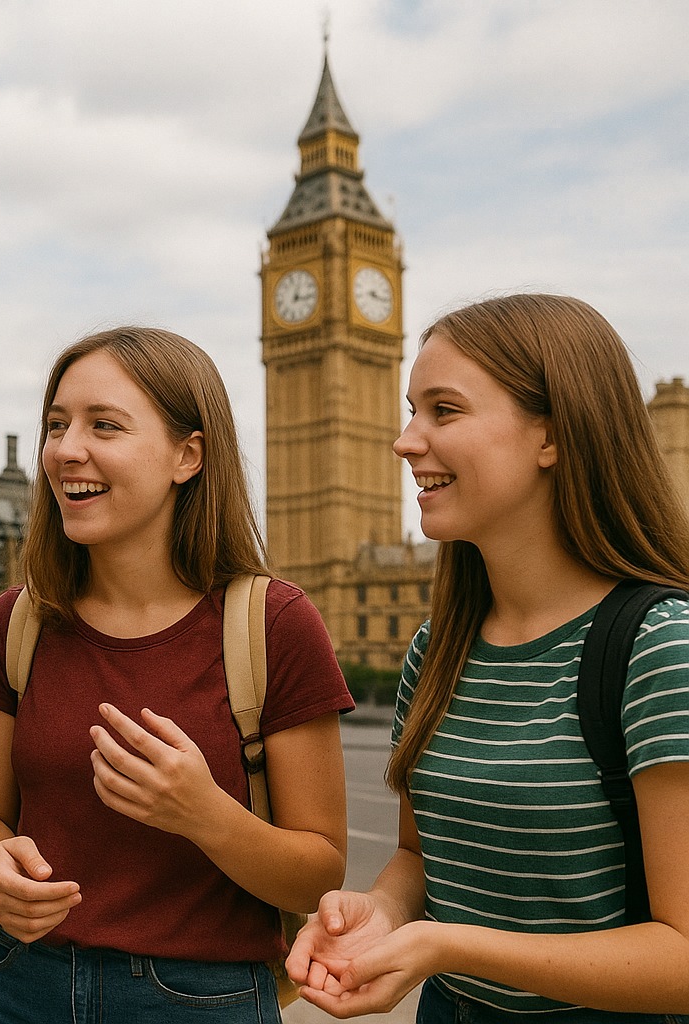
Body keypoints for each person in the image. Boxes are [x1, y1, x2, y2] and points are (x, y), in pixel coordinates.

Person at [286, 294, 689, 1021]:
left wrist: (452, 947)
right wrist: (377, 911)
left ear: (552, 436)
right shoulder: (435, 650)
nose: (406, 441)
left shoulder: (661, 648)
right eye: (411, 410)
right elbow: (417, 860)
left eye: (444, 410)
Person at [0, 326, 355, 1024]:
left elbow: (320, 868)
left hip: (200, 1000)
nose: (66, 448)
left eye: (103, 425)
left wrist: (204, 814)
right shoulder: (18, 624)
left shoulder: (273, 625)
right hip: (20, 987)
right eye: (57, 424)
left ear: (187, 455)